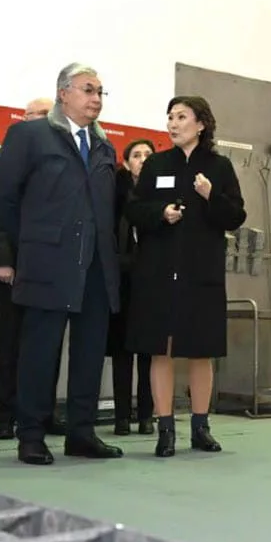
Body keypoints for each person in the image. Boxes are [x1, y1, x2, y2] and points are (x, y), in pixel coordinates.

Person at [0, 63, 124, 465]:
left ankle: (82, 433)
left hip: (96, 267)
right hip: (47, 264)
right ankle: (30, 435)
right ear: (63, 93)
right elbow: (2, 200)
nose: (96, 98)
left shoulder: (104, 146)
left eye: (100, 91)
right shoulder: (30, 136)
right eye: (88, 90)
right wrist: (33, 243)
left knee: (89, 354)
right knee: (39, 354)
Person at [126, 96, 246, 458]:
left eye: (181, 117)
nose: (173, 124)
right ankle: (165, 429)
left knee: (200, 350)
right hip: (159, 272)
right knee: (160, 350)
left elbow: (235, 216)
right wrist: (161, 213)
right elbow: (134, 209)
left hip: (200, 272)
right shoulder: (156, 164)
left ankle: (200, 428)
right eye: (170, 117)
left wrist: (210, 196)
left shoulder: (219, 167)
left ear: (201, 124)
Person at [0, 97, 68, 440]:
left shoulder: (61, 155)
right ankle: (6, 415)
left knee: (48, 343)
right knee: (11, 342)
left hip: (50, 264)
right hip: (15, 265)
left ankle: (42, 411)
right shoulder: (5, 156)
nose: (41, 120)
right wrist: (2, 260)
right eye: (35, 115)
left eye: (45, 115)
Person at [110, 139, 157, 435]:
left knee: (149, 352)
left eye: (148, 154)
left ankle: (147, 414)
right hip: (122, 278)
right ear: (127, 163)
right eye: (136, 155)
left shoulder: (161, 193)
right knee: (122, 350)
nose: (143, 159)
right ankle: (122, 416)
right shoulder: (116, 194)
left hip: (152, 279)